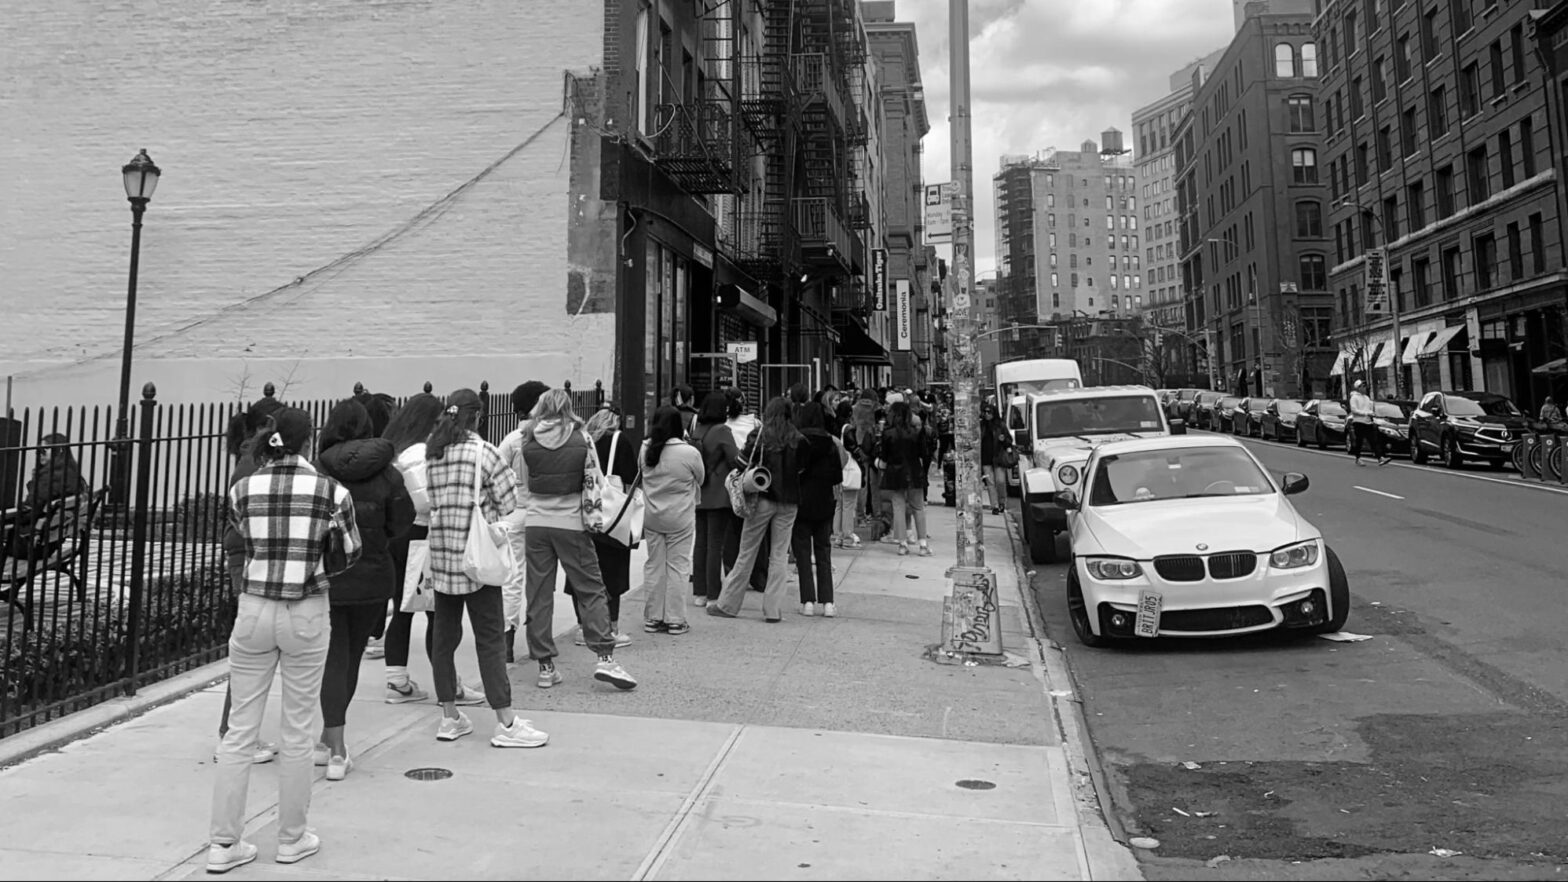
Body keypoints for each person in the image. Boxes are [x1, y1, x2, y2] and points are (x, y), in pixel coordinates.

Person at [209, 407, 360, 873]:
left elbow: (241, 538)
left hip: (254, 607)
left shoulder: (242, 488)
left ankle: (223, 843)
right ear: (308, 442)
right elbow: (350, 552)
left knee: (240, 731)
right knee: (297, 730)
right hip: (305, 609)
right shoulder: (331, 491)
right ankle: (292, 838)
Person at [424, 389, 550, 748]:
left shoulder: (434, 453)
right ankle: (505, 720)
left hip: (443, 557)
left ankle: (449, 715)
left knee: (443, 640)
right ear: (477, 416)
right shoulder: (484, 453)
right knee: (490, 639)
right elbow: (510, 501)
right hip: (477, 557)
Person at [312, 399, 415, 780]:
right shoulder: (387, 472)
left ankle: (330, 741)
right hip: (372, 573)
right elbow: (401, 520)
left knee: (334, 657)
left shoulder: (318, 469)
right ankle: (333, 744)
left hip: (329, 573)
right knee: (350, 657)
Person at [513, 389, 638, 691]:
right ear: (568, 408)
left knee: (539, 593)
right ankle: (605, 657)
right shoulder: (581, 439)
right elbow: (594, 482)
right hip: (570, 522)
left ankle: (545, 665)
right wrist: (594, 520)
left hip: (537, 523)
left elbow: (523, 485)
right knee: (592, 588)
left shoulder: (526, 440)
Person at [381, 393, 486, 706]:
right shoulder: (421, 452)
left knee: (402, 607)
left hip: (397, 535)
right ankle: (449, 685)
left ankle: (397, 679)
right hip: (422, 534)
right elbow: (427, 499)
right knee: (436, 612)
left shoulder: (394, 449)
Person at [214, 398, 285, 766]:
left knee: (253, 646)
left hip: (250, 555)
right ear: (267, 424)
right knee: (250, 648)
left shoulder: (252, 459)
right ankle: (232, 733)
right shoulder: (250, 465)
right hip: (247, 557)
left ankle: (235, 731)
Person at [709, 397, 810, 622]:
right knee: (779, 555)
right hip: (789, 501)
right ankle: (773, 610)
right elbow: (802, 470)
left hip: (762, 498)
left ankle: (728, 604)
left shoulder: (760, 436)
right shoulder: (800, 440)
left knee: (747, 551)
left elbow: (741, 463)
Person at [564, 406, 637, 648]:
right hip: (611, 514)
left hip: (584, 510)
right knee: (613, 570)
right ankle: (610, 627)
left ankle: (583, 627)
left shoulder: (581, 440)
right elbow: (631, 476)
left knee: (583, 569)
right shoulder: (619, 440)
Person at [497, 380, 552, 660]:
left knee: (512, 577)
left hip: (515, 511)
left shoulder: (511, 439)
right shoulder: (554, 434)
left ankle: (506, 640)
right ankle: (539, 638)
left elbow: (496, 475)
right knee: (541, 578)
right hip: (545, 511)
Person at [639, 406, 705, 634]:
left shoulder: (646, 448)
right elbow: (701, 477)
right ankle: (675, 619)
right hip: (680, 517)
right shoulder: (689, 453)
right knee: (678, 567)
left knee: (654, 565)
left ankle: (653, 617)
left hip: (652, 515)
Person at [691, 392, 742, 607]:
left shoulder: (696, 431)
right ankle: (714, 594)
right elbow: (736, 459)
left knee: (700, 543)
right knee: (715, 545)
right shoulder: (722, 431)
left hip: (699, 493)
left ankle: (699, 592)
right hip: (718, 494)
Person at [792, 402, 843, 617]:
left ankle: (808, 601)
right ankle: (828, 602)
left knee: (803, 553)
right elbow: (837, 477)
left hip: (801, 502)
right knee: (824, 552)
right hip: (824, 503)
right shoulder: (830, 443)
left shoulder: (797, 441)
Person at [876, 400, 932, 556]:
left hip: (895, 473)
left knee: (898, 507)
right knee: (918, 508)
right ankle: (923, 544)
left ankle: (902, 543)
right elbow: (924, 453)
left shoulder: (888, 433)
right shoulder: (916, 432)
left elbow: (884, 456)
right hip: (914, 472)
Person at [980, 402, 1014, 515]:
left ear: (994, 413)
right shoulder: (981, 426)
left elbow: (1009, 441)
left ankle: (1002, 503)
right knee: (990, 483)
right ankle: (994, 505)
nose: (987, 414)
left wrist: (1003, 439)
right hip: (986, 459)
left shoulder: (1000, 425)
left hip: (998, 458)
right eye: (985, 412)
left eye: (989, 412)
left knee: (1000, 481)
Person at [1348, 379, 1389, 466]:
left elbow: (1369, 408)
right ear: (1358, 388)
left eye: (1365, 386)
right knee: (1359, 441)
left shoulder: (1367, 398)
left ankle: (1380, 458)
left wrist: (1372, 413)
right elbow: (1354, 410)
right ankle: (1358, 458)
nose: (1365, 388)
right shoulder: (1354, 398)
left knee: (1373, 440)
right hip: (1358, 422)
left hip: (1368, 422)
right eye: (1363, 386)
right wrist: (1365, 413)